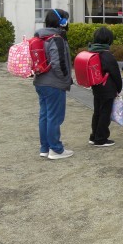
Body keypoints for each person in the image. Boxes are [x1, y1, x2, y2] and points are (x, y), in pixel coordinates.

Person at [33, 8, 74, 160]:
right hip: (54, 84)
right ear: (61, 22)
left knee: (45, 116)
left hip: (41, 82)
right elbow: (59, 64)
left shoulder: (41, 36)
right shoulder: (56, 39)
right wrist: (66, 79)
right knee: (54, 117)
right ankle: (56, 149)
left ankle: (45, 148)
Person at [87, 27, 123, 147]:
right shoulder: (107, 55)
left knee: (97, 112)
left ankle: (94, 136)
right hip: (107, 90)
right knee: (105, 114)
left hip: (96, 87)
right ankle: (101, 139)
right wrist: (119, 88)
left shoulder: (92, 52)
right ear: (109, 40)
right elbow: (116, 74)